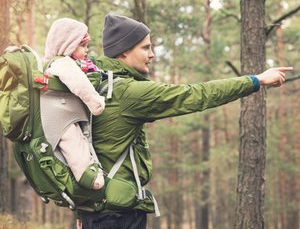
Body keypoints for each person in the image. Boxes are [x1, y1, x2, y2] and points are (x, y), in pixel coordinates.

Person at [78, 14, 293, 228]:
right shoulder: (128, 92)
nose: (152, 55)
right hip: (117, 215)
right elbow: (196, 95)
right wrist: (256, 80)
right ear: (124, 50)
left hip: (94, 209)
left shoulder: (95, 85)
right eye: (145, 48)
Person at [43, 18, 105, 190]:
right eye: (82, 45)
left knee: (73, 145)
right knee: (73, 142)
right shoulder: (63, 63)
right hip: (60, 116)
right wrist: (96, 103)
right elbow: (80, 85)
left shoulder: (52, 63)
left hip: (59, 113)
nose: (87, 50)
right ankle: (89, 177)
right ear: (68, 45)